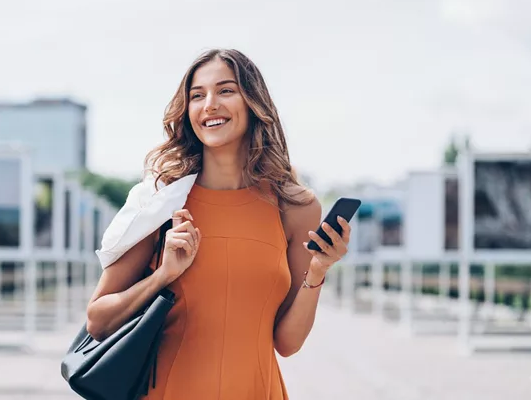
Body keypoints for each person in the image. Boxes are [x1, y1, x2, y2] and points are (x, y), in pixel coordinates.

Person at [86, 48, 351, 399]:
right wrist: (163, 276)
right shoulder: (161, 202)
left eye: (225, 90)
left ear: (254, 103)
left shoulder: (296, 207)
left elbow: (287, 343)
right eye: (197, 95)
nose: (210, 104)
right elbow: (98, 321)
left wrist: (318, 271)